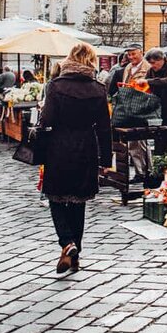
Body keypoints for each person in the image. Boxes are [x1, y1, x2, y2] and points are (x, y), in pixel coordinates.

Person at [39, 41, 112, 274]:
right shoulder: (98, 88)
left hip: (59, 146)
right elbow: (104, 128)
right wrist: (106, 160)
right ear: (91, 61)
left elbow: (47, 121)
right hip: (86, 147)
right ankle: (75, 255)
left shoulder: (56, 86)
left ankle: (67, 242)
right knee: (78, 201)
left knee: (56, 197)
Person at [116, 44, 150, 180]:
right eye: (129, 55)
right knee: (132, 143)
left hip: (142, 108)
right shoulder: (128, 68)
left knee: (141, 141)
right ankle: (139, 171)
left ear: (141, 52)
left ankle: (146, 171)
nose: (131, 57)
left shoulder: (147, 67)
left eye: (133, 54)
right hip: (128, 108)